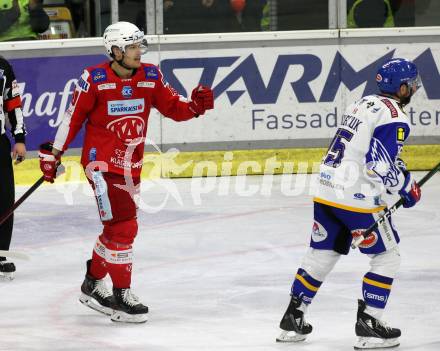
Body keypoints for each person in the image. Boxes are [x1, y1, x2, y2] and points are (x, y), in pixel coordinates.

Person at [38, 21, 214, 323]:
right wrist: (53, 154)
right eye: (132, 46)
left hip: (131, 167)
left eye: (138, 45)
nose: (138, 51)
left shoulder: (150, 75)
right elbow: (73, 118)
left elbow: (173, 106)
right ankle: (121, 294)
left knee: (114, 230)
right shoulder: (93, 79)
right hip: (101, 165)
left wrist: (195, 107)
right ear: (115, 51)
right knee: (125, 228)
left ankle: (92, 283)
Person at [276, 58, 422, 349]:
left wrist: (401, 174)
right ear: (402, 88)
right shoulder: (395, 116)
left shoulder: (364, 103)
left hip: (326, 190)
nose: (415, 88)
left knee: (322, 253)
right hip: (356, 199)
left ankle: (293, 319)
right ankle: (370, 324)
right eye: (412, 84)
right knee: (387, 257)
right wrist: (406, 187)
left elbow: (366, 150)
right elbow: (377, 166)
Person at [0, 56, 27, 279]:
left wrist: (19, 138)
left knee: (4, 197)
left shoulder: (2, 66)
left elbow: (13, 102)